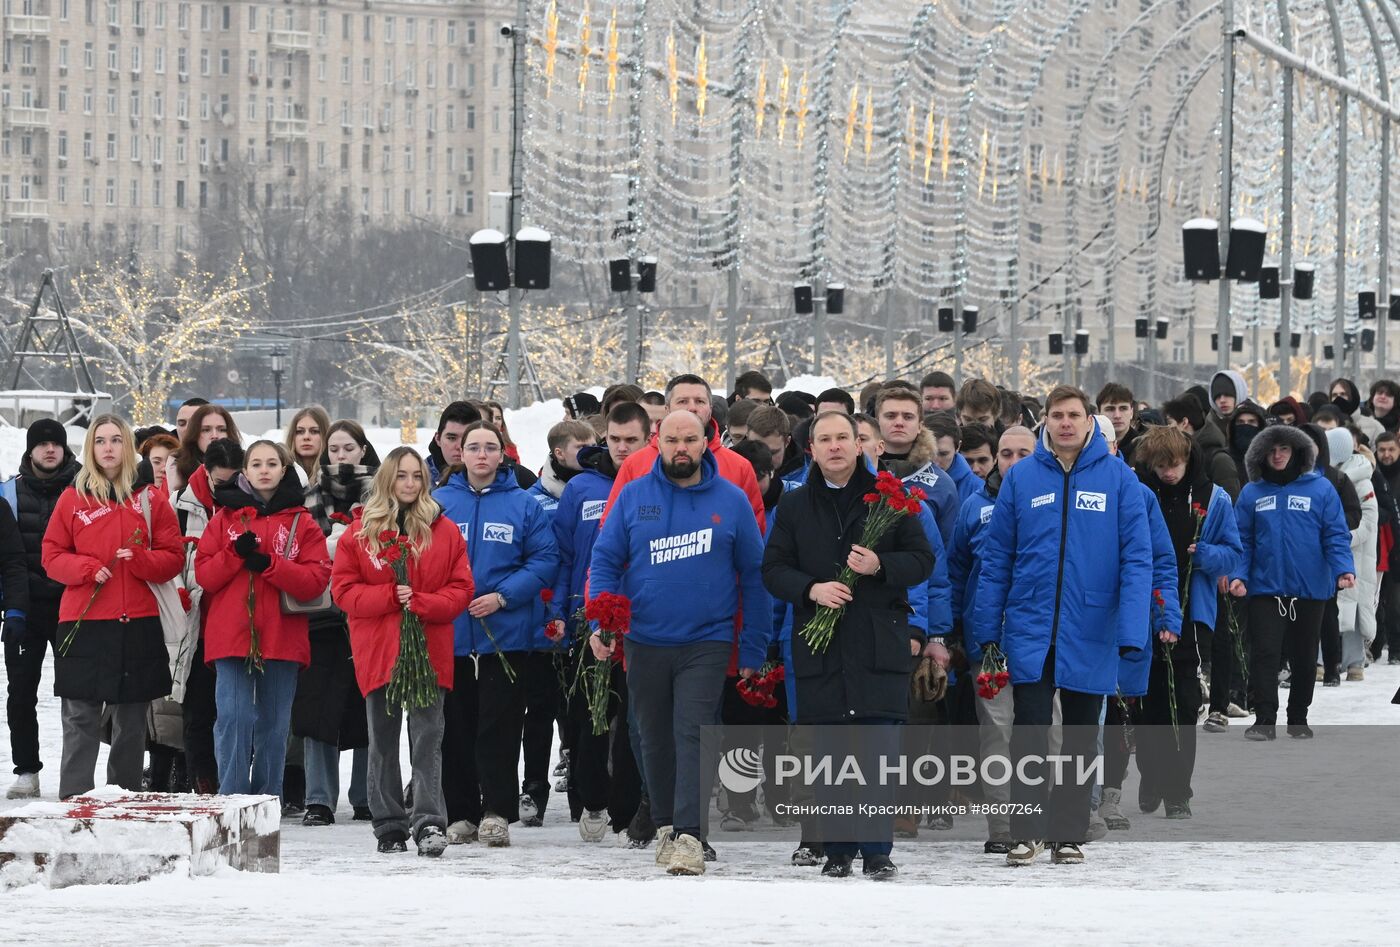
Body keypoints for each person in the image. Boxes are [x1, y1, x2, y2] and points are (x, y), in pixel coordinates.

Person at [973, 386, 1151, 866]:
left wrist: (1133, 630)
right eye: (1057, 415)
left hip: (1092, 625)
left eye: (1075, 415)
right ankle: (1025, 832)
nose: (1066, 423)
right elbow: (998, 559)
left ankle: (1068, 832)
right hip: (1031, 624)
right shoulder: (1023, 478)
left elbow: (1138, 558)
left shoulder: (1119, 479)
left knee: (1077, 734)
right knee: (1028, 731)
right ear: (1046, 421)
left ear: (1090, 421)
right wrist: (987, 627)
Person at [590, 411, 772, 876]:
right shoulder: (633, 495)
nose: (681, 448)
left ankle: (692, 834)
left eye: (690, 439)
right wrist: (602, 625)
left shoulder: (730, 500)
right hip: (645, 638)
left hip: (706, 640)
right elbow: (606, 560)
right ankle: (669, 825)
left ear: (706, 442)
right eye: (672, 439)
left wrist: (753, 647)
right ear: (658, 441)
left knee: (692, 730)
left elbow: (755, 577)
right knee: (652, 737)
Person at [762, 411, 933, 880]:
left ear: (859, 446)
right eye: (824, 439)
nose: (835, 446)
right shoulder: (794, 507)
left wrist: (881, 565)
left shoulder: (890, 500)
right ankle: (837, 850)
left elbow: (923, 561)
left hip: (877, 645)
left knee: (877, 755)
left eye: (844, 438)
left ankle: (877, 850)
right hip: (821, 648)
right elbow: (772, 569)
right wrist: (811, 590)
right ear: (811, 449)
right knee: (830, 756)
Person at [331, 447, 475, 856]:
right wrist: (389, 596)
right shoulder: (361, 533)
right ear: (387, 480)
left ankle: (429, 820)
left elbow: (462, 588)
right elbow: (343, 591)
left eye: (416, 476)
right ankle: (389, 823)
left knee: (429, 736)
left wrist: (424, 603)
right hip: (379, 651)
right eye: (401, 476)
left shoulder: (444, 530)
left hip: (429, 650)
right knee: (383, 738)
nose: (410, 484)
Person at [41, 414, 184, 799]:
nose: (108, 448)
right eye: (100, 441)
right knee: (80, 717)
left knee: (132, 723)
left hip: (137, 622)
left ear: (126, 447)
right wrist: (86, 568)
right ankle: (75, 802)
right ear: (91, 448)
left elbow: (173, 557)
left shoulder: (150, 498)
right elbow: (51, 556)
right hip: (84, 622)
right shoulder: (72, 497)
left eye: (116, 440)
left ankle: (124, 801)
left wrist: (139, 559)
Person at [434, 421, 559, 848]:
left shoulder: (524, 505)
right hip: (451, 635)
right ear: (461, 454)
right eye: (473, 447)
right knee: (456, 727)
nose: (481, 455)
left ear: (502, 453)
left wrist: (503, 598)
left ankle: (497, 811)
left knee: (499, 727)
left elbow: (545, 559)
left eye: (490, 447)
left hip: (505, 637)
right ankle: (462, 813)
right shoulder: (439, 503)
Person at [196, 440, 331, 797]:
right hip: (231, 634)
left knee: (274, 724)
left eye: (272, 463)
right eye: (256, 464)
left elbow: (316, 580)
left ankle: (267, 798)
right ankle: (233, 798)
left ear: (284, 470)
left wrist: (272, 566)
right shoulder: (224, 518)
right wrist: (233, 554)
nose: (264, 470)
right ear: (245, 471)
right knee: (234, 719)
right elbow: (205, 576)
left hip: (282, 635)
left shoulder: (303, 522)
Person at [1130, 424, 1240, 818]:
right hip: (1144, 609)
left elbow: (1233, 552)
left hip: (1192, 611)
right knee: (1149, 700)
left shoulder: (1214, 498)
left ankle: (1179, 789)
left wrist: (1207, 554)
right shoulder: (1140, 495)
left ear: (1188, 459)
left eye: (1173, 465)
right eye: (1159, 466)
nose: (1167, 473)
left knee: (1184, 700)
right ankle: (1151, 774)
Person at [551, 401, 649, 843]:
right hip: (589, 615)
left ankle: (628, 808)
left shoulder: (656, 481)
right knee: (591, 713)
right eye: (616, 439)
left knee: (632, 718)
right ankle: (591, 800)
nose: (623, 448)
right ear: (603, 439)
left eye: (633, 440)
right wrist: (564, 613)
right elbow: (567, 555)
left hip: (642, 619)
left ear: (649, 439)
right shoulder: (581, 488)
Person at [1229, 423, 1354, 740]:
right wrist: (1239, 576)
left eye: (1284, 448)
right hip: (1265, 589)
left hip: (1310, 589)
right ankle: (1265, 720)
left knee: (1304, 656)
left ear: (1297, 452)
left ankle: (1298, 716)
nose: (1278, 455)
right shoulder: (1252, 493)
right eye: (1271, 450)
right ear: (1261, 455)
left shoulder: (1321, 489)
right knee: (1265, 654)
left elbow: (1335, 535)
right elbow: (1242, 540)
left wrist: (1343, 569)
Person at [946, 424, 1035, 851]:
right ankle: (1002, 827)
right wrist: (958, 633)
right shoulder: (974, 507)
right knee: (997, 733)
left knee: (1048, 731)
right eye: (1005, 454)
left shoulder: (1050, 502)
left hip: (1040, 641)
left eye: (1023, 453)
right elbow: (957, 571)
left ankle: (1044, 818)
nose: (1013, 462)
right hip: (991, 644)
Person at [295, 420, 380, 826]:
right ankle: (319, 799)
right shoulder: (310, 496)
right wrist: (334, 546)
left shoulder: (383, 494)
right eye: (334, 450)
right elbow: (304, 551)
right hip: (322, 616)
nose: (341, 456)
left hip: (370, 612)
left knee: (370, 703)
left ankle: (367, 795)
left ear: (363, 450)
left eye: (348, 448)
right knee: (318, 707)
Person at [521, 418, 595, 827]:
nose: (588, 450)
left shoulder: (601, 490)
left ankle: (582, 796)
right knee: (539, 711)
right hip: (540, 620)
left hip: (582, 620)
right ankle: (533, 787)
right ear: (558, 453)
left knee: (577, 713)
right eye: (580, 445)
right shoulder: (534, 499)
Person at [4, 419, 81, 799]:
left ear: (65, 449)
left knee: (79, 694)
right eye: (42, 444)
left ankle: (76, 774)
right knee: (21, 692)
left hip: (76, 605)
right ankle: (26, 769)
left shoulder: (86, 488)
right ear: (30, 450)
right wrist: (11, 606)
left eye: (56, 444)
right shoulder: (9, 493)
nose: (50, 450)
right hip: (25, 608)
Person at [605, 374, 765, 533]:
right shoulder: (635, 464)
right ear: (667, 409)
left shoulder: (740, 467)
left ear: (710, 409)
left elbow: (753, 534)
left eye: (700, 401)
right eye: (682, 401)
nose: (692, 407)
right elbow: (611, 532)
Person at [874, 386, 960, 542]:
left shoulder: (941, 483)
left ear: (920, 425)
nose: (899, 422)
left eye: (908, 417)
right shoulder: (857, 472)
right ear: (877, 421)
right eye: (891, 416)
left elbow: (948, 545)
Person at [1326, 427, 1378, 682]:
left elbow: (1368, 520)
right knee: (1328, 607)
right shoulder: (1324, 477)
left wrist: (1344, 538)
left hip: (1355, 552)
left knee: (1354, 610)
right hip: (1330, 551)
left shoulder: (1362, 480)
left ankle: (1354, 661)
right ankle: (1323, 661)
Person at [1162, 396, 1241, 500]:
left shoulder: (1219, 460)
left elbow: (1230, 503)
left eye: (1169, 423)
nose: (1166, 429)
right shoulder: (1179, 454)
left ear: (1184, 422)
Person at [1376, 433, 1400, 663]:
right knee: (1378, 601)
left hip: (1397, 545)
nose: (1387, 454)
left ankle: (1395, 648)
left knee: (1395, 604)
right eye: (1382, 449)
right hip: (1380, 544)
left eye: (1391, 449)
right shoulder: (1374, 475)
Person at [746, 404, 807, 490]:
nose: (764, 459)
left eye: (772, 453)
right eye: (757, 450)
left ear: (787, 442)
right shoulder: (730, 469)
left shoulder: (809, 480)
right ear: (747, 437)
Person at [426, 401, 483, 487]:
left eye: (467, 438)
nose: (460, 447)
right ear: (438, 439)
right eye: (452, 438)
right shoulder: (418, 478)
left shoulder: (500, 478)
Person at [927, 413, 979, 502]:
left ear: (958, 447)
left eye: (943, 454)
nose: (935, 462)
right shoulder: (903, 479)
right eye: (929, 453)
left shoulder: (977, 489)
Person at [284, 406, 331, 487]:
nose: (306, 437)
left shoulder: (335, 475)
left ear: (325, 435)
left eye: (314, 431)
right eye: (300, 431)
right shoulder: (280, 474)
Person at [1329, 377, 1384, 444]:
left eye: (1343, 394)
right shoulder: (1325, 424)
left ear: (1353, 396)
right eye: (1334, 395)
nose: (1338, 398)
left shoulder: (1375, 426)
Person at [1096, 383, 1141, 464]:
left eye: (1123, 408)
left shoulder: (1146, 449)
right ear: (1099, 413)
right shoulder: (1088, 448)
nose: (1117, 415)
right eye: (1110, 409)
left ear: (1131, 412)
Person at [1208, 370, 1249, 438]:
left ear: (1239, 393)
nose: (1222, 400)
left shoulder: (1260, 423)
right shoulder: (1206, 430)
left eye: (1228, 394)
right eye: (1217, 396)